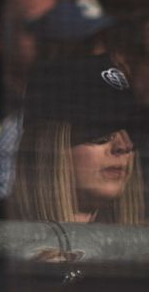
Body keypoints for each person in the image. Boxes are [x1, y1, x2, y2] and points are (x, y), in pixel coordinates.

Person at [8, 54, 144, 225]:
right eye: (100, 132)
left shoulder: (139, 249)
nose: (124, 146)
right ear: (49, 143)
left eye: (133, 131)